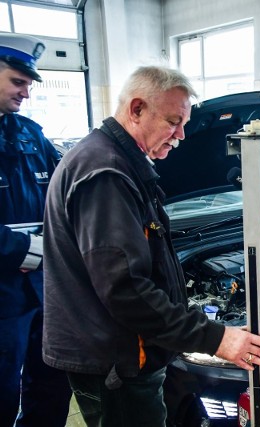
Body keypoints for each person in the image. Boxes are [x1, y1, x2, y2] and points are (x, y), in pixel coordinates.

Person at [42, 66, 260, 426]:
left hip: (124, 354)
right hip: (117, 363)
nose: (181, 135)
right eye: (173, 121)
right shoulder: (106, 173)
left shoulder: (118, 162)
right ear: (136, 109)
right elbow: (126, 288)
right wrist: (214, 337)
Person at [0, 33, 72, 427]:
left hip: (44, 293)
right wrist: (33, 249)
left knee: (50, 386)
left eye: (28, 83)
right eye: (17, 81)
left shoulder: (30, 134)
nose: (26, 92)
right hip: (3, 297)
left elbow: (69, 189)